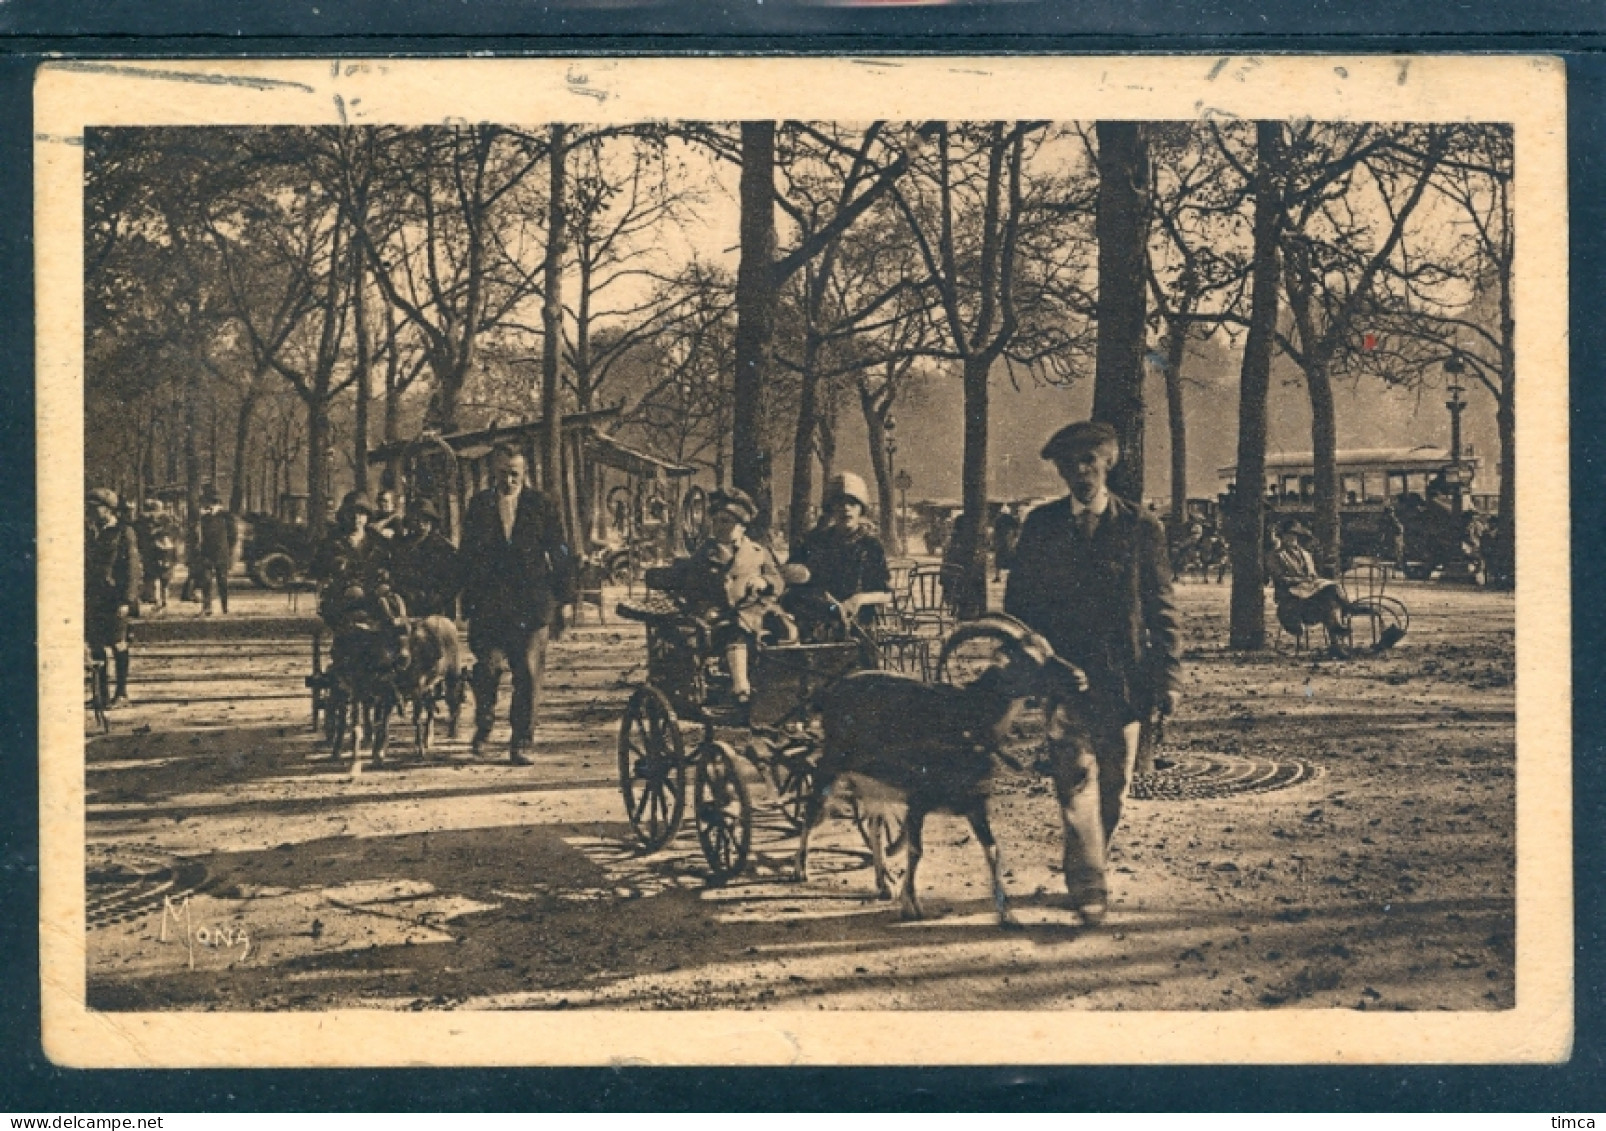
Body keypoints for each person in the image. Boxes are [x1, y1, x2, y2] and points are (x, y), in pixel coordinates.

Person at [1004, 420, 1182, 926]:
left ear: (1107, 465)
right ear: (1060, 472)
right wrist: (1037, 665)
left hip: (1125, 681)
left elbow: (1162, 607)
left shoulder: (1142, 527)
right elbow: (1020, 608)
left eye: (1089, 462)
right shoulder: (1040, 527)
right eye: (1069, 465)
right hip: (1065, 681)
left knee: (1116, 785)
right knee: (1075, 779)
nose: (1080, 473)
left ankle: (1090, 861)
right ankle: (1088, 883)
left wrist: (1168, 678)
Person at [459, 444, 576, 764]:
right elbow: (467, 554)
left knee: (527, 673)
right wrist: (464, 599)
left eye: (515, 474)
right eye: (502, 474)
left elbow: (561, 552)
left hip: (531, 603)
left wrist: (564, 600)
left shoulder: (541, 505)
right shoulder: (479, 505)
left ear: (524, 474)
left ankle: (521, 739)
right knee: (488, 668)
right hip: (490, 604)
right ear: (493, 474)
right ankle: (483, 725)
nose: (508, 480)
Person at [660, 487, 793, 709]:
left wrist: (765, 583)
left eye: (727, 522)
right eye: (717, 521)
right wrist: (706, 605)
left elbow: (777, 580)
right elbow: (691, 589)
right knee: (737, 632)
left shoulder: (759, 552)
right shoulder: (704, 554)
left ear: (741, 526)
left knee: (787, 629)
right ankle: (741, 688)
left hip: (757, 612)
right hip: (719, 617)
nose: (720, 527)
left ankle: (785, 688)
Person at [788, 471, 892, 637]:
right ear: (831, 509)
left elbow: (886, 593)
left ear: (861, 509)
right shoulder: (815, 540)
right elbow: (793, 575)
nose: (845, 508)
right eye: (839, 503)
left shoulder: (870, 545)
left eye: (852, 503)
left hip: (858, 623)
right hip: (818, 618)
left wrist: (858, 600)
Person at [86, 487, 142, 708]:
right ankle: (100, 695)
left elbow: (132, 569)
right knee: (96, 646)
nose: (90, 512)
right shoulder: (91, 532)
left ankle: (121, 694)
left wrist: (127, 600)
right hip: (94, 597)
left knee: (118, 644)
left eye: (95, 508)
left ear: (109, 510)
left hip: (115, 599)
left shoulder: (123, 532)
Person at [1266, 520, 1357, 657]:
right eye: (1288, 535)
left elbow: (1312, 574)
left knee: (1330, 597)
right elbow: (1280, 579)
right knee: (1330, 597)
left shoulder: (1306, 554)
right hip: (1291, 598)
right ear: (1282, 536)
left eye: (1295, 535)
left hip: (1310, 595)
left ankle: (1336, 644)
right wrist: (1302, 581)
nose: (1292, 538)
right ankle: (1346, 614)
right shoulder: (1275, 555)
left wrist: (1313, 580)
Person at [311, 491, 391, 630]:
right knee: (355, 594)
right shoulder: (333, 541)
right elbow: (317, 569)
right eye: (351, 514)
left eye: (361, 514)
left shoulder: (378, 541)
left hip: (373, 588)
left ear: (367, 517)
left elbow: (390, 564)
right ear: (344, 516)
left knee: (385, 594)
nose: (356, 518)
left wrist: (385, 574)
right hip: (342, 591)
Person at [393, 499, 460, 619]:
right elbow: (396, 574)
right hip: (407, 605)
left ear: (432, 522)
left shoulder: (444, 547)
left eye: (426, 520)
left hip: (435, 606)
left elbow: (453, 581)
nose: (421, 524)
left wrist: (437, 598)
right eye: (416, 519)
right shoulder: (402, 546)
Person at [191, 488, 237, 616]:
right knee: (206, 580)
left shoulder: (226, 517)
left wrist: (227, 550)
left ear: (216, 503)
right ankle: (207, 607)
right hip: (207, 554)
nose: (208, 506)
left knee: (222, 581)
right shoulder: (204, 518)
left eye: (210, 503)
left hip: (221, 554)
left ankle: (225, 607)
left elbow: (233, 537)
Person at [991, 504, 1021, 581]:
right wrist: (1015, 538)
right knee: (1011, 557)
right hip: (1009, 541)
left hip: (1000, 541)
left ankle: (997, 576)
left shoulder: (998, 519)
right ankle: (1013, 576)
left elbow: (995, 531)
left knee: (998, 559)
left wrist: (994, 541)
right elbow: (1017, 529)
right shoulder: (1011, 519)